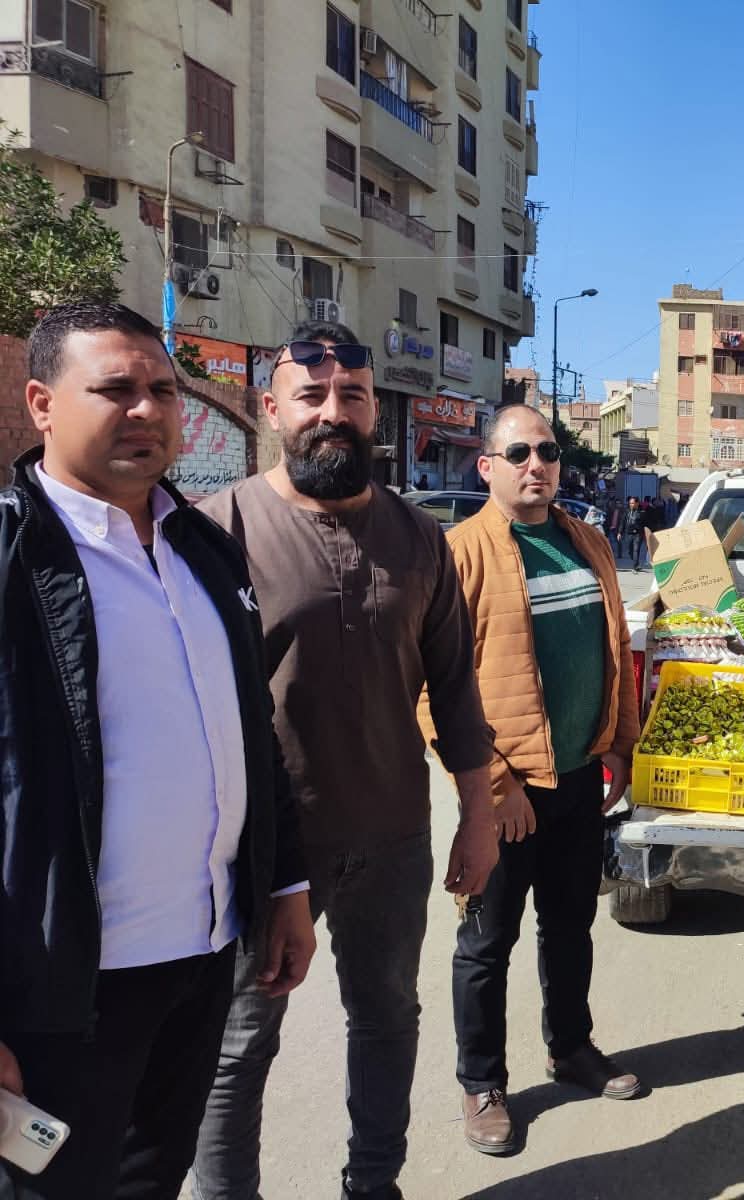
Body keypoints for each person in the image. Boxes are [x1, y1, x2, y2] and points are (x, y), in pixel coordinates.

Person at [0, 302, 314, 1199]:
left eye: (164, 390)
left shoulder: (204, 550)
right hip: (61, 988)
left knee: (154, 1178)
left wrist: (284, 887)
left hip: (203, 956)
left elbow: (250, 732)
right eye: (115, 389)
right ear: (42, 404)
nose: (147, 410)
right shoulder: (13, 558)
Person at [190, 321, 500, 1200]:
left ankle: (374, 1184)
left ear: (373, 413)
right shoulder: (215, 533)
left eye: (353, 397)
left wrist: (477, 818)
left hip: (392, 834)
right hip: (259, 847)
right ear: (272, 409)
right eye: (312, 396)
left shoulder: (419, 536)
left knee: (387, 1016)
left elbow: (456, 689)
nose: (334, 412)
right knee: (239, 1043)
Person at [420, 404, 644, 1156]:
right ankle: (482, 1082)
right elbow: (428, 687)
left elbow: (615, 648)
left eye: (546, 451)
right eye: (517, 453)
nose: (536, 465)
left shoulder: (586, 541)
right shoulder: (460, 553)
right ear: (486, 466)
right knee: (487, 943)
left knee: (571, 925)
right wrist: (494, 786)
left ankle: (570, 1047)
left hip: (580, 777)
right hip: (508, 794)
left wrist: (620, 744)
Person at [622, 495, 646, 570]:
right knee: (629, 550)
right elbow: (622, 522)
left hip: (638, 534)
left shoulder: (642, 512)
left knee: (636, 549)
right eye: (630, 503)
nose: (631, 505)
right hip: (628, 533)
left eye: (632, 503)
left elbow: (645, 523)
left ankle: (635, 566)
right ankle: (636, 562)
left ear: (637, 503)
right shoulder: (627, 511)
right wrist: (619, 532)